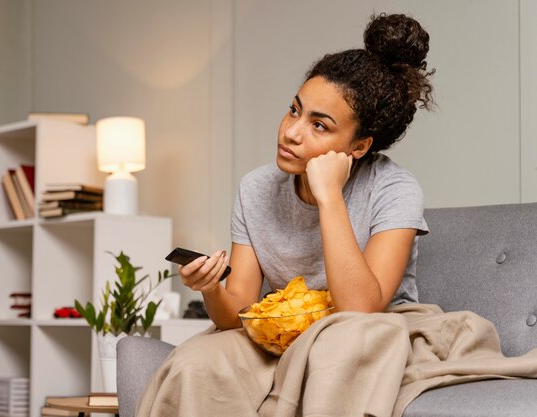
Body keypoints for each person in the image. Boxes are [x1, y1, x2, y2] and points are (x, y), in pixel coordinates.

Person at [137, 12, 434, 417]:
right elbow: (238, 313)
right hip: (283, 336)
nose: (291, 132)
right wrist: (211, 289)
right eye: (294, 110)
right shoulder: (256, 189)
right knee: (195, 362)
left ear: (359, 146)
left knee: (336, 352)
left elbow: (360, 310)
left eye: (320, 126)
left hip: (370, 335)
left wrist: (329, 196)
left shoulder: (395, 190)